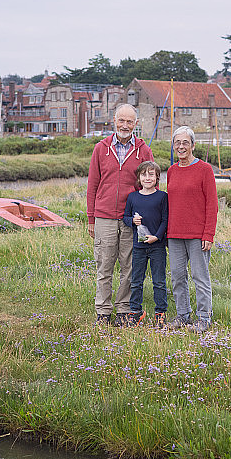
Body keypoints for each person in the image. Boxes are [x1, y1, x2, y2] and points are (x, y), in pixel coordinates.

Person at [87, 104, 155, 326]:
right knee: (104, 266)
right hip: (104, 217)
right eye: (121, 120)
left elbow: (151, 184)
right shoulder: (101, 148)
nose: (125, 125)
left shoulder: (143, 150)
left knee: (129, 266)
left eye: (130, 121)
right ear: (114, 120)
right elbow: (93, 185)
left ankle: (124, 310)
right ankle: (103, 311)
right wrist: (91, 219)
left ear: (136, 124)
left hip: (131, 219)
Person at [165, 125, 218, 333]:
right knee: (178, 276)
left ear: (193, 146)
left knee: (200, 277)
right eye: (177, 143)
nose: (181, 146)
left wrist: (208, 233)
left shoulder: (205, 170)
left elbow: (212, 205)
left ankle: (204, 318)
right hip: (175, 234)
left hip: (198, 235)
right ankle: (183, 315)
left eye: (185, 142)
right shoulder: (171, 171)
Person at [122, 161, 168, 327]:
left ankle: (160, 313)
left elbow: (165, 220)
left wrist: (157, 237)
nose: (147, 178)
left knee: (159, 282)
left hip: (157, 246)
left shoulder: (163, 196)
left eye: (151, 175)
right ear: (139, 178)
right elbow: (125, 217)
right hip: (139, 247)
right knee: (136, 281)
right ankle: (135, 311)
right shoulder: (133, 197)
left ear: (157, 178)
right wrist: (132, 221)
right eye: (144, 175)